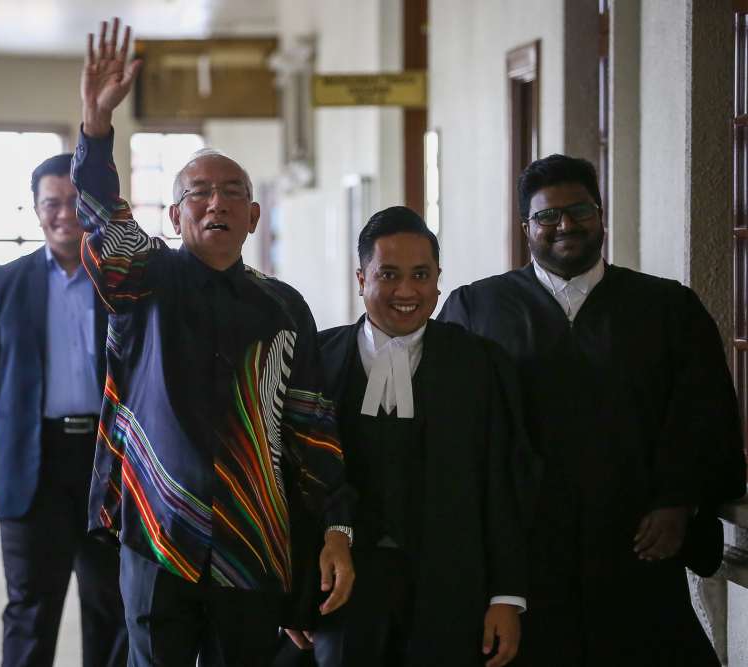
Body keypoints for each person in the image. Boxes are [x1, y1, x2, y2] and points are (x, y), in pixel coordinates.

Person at [72, 19, 354, 667]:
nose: (215, 203)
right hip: (156, 533)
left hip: (252, 539)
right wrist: (94, 122)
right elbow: (101, 214)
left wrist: (334, 529)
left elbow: (312, 431)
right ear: (174, 216)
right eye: (198, 192)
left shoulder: (284, 309)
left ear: (255, 216)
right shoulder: (144, 277)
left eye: (233, 193)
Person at [438, 154, 747, 666]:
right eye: (547, 216)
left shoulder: (667, 308)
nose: (565, 225)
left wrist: (678, 500)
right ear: (525, 227)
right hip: (527, 545)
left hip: (635, 540)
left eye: (579, 210)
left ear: (601, 215)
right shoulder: (477, 310)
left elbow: (702, 411)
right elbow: (457, 423)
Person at [280, 207, 528, 667]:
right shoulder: (314, 359)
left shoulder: (480, 364)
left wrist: (506, 596)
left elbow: (503, 480)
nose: (406, 291)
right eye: (388, 274)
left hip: (452, 585)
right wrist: (292, 591)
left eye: (421, 274)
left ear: (438, 279)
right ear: (361, 278)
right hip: (342, 587)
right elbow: (288, 479)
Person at [0, 154, 127, 667]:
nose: (64, 213)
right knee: (31, 607)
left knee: (111, 607)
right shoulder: (7, 283)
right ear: (35, 210)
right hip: (31, 463)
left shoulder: (119, 281)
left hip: (109, 465)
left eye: (75, 202)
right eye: (51, 203)